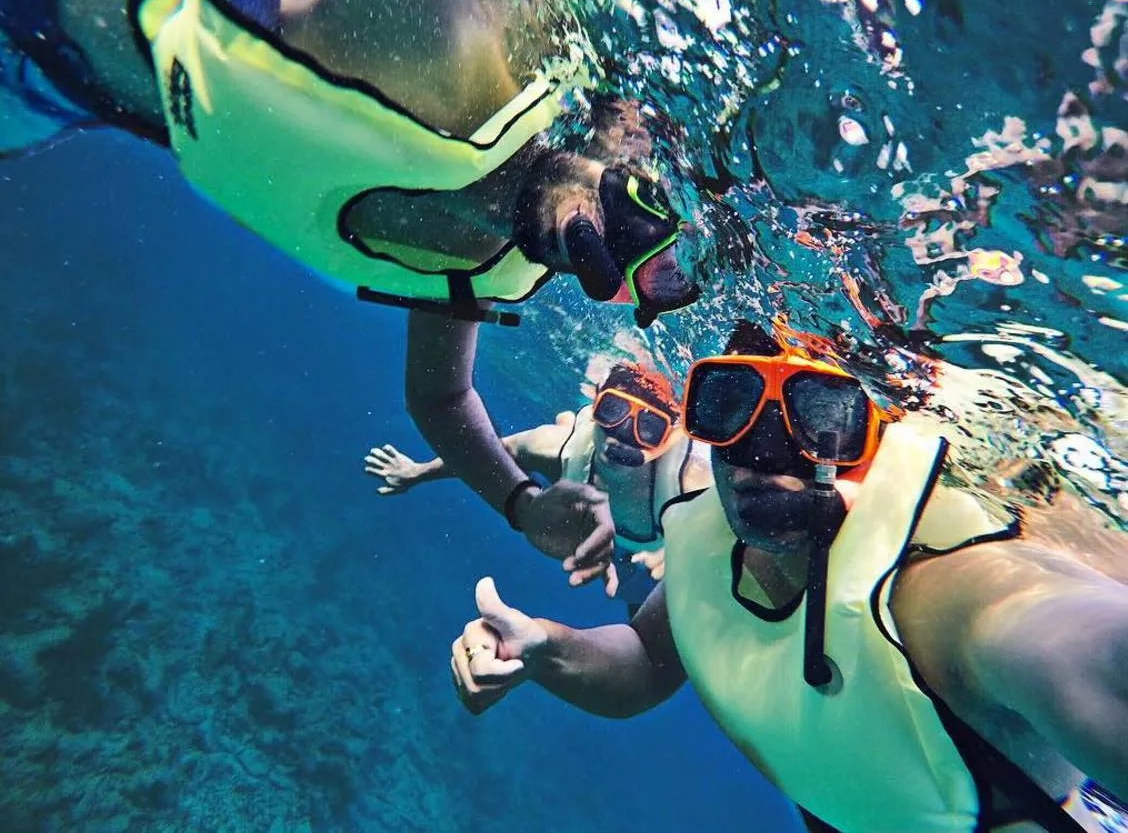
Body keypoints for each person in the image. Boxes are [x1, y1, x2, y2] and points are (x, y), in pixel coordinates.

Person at [1, 0, 701, 582]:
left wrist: (521, 504)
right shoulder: (448, 43)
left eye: (655, 280)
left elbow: (441, 396)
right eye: (643, 209)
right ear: (619, 129)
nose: (620, 254)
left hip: (47, 94)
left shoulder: (474, 258)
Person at [449, 320, 1128, 833]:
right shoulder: (704, 542)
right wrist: (543, 648)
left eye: (820, 422)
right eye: (729, 407)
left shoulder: (949, 596)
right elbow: (648, 662)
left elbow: (1070, 642)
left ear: (876, 441)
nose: (761, 459)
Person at [365, 362, 713, 607]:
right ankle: (570, 418)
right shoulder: (558, 448)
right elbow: (490, 453)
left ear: (671, 437)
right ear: (595, 406)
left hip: (652, 547)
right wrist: (418, 472)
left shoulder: (690, 482)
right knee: (559, 433)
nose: (621, 437)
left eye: (648, 428)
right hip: (614, 524)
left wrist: (689, 551)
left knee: (645, 605)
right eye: (612, 411)